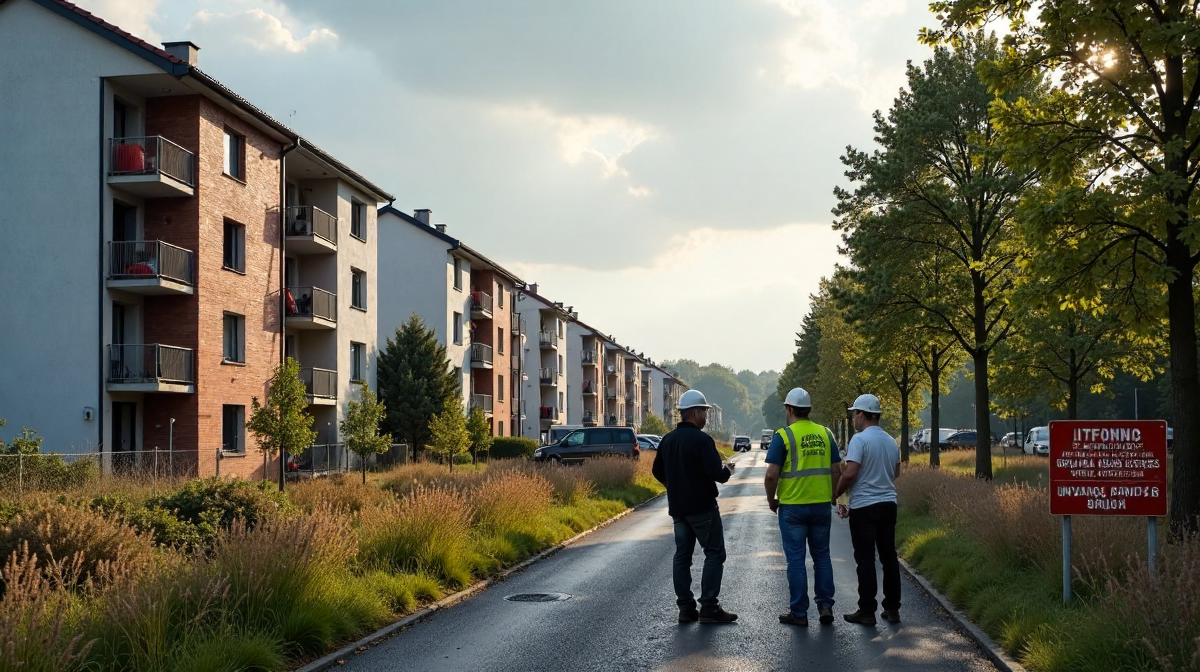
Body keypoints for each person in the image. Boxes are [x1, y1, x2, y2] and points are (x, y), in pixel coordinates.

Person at [652, 389, 738, 625]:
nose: (707, 417)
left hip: (679, 509)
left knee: (682, 557)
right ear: (695, 413)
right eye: (705, 412)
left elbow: (656, 471)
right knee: (714, 553)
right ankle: (709, 607)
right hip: (703, 508)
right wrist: (728, 471)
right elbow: (716, 475)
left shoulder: (668, 440)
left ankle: (686, 609)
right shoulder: (702, 440)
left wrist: (674, 486)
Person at [763, 387, 842, 627]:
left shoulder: (783, 436)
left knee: (796, 560)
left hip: (793, 507)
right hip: (820, 505)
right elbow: (837, 468)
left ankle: (799, 613)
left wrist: (771, 500)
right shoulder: (826, 433)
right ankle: (826, 606)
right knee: (822, 556)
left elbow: (771, 475)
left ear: (789, 409)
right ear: (808, 409)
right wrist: (833, 495)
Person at [834, 393, 902, 626]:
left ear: (862, 415)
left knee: (865, 559)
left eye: (854, 414)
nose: (853, 418)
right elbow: (896, 473)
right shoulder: (891, 441)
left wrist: (836, 493)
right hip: (888, 504)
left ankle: (867, 610)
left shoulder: (859, 440)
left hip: (864, 506)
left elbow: (850, 472)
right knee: (889, 557)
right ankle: (892, 609)